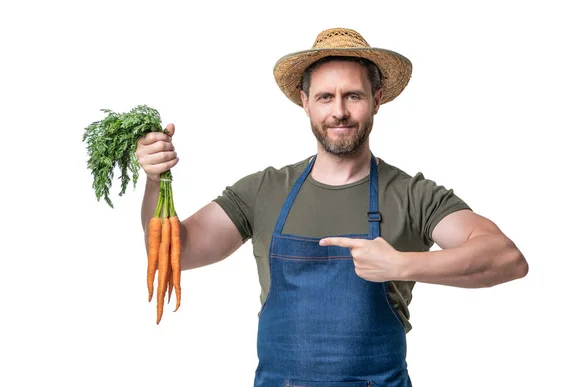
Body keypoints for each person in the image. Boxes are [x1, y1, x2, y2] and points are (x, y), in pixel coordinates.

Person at [135, 27, 528, 387]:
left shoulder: (413, 195)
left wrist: (401, 265)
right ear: (306, 103)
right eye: (325, 96)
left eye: (353, 95)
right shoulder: (264, 190)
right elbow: (175, 252)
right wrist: (155, 180)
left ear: (376, 100)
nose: (338, 111)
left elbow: (506, 258)